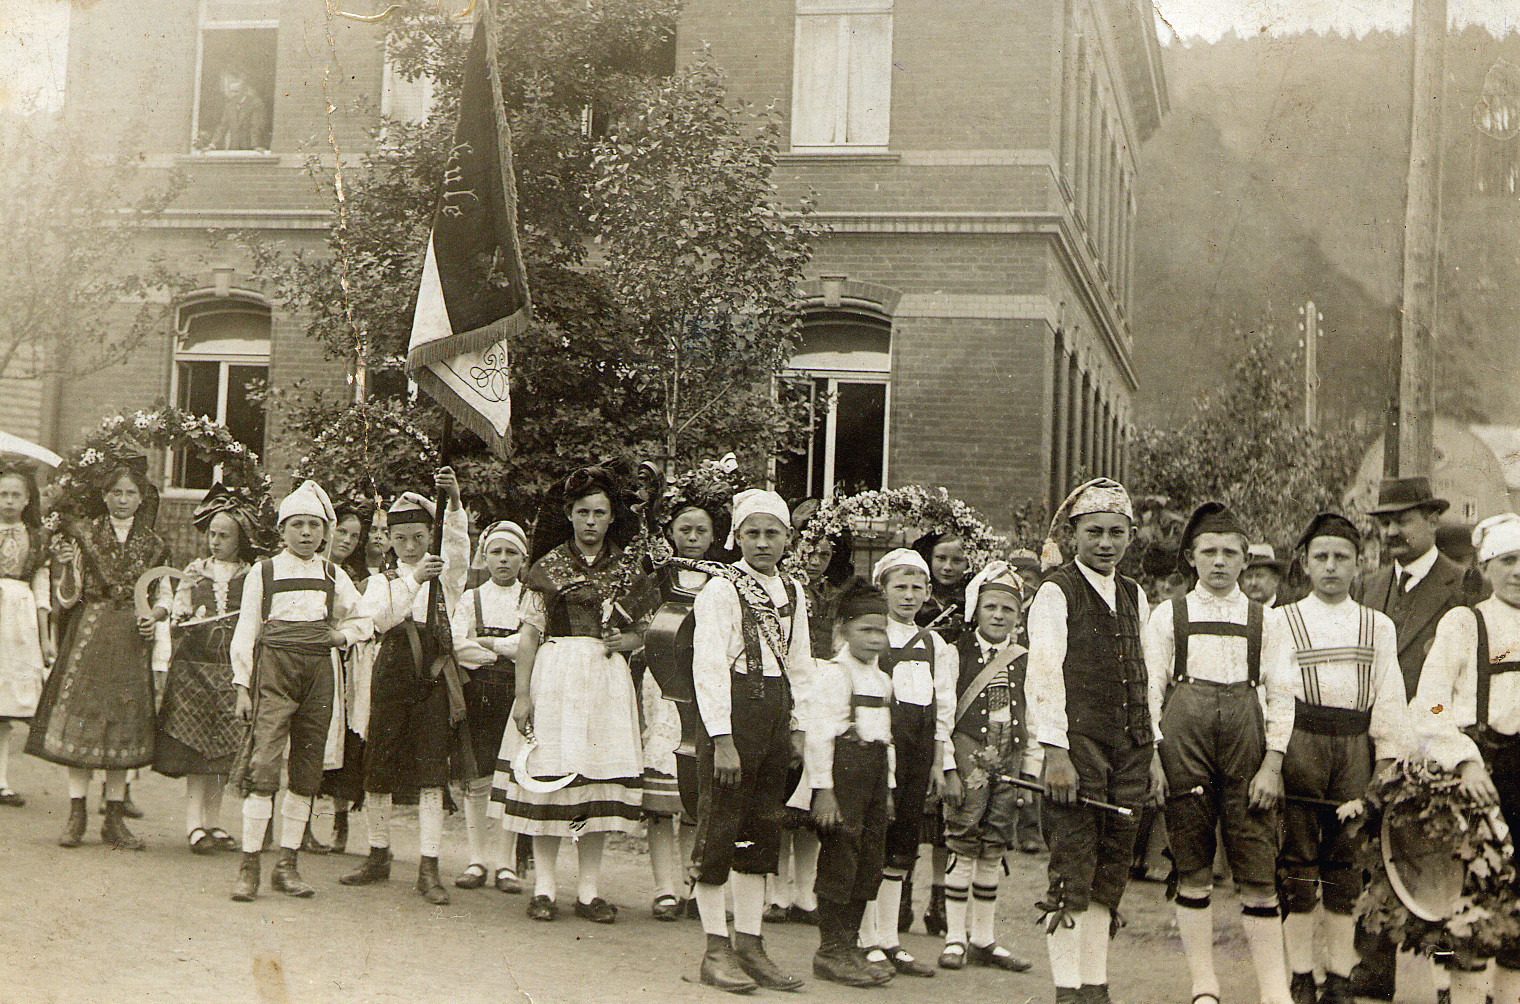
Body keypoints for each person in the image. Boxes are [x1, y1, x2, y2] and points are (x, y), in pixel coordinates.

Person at [1143, 503, 1296, 1004]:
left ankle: (1275, 991)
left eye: (1231, 553)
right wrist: (1153, 756)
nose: (1219, 562)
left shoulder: (1266, 622)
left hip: (1246, 744)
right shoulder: (1169, 615)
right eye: (1209, 552)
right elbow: (1148, 690)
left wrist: (1273, 763)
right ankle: (1203, 985)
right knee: (1191, 864)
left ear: (1245, 559)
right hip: (1184, 740)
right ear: (1191, 557)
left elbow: (1281, 696)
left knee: (1257, 865)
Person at [1349, 478, 1483, 1004]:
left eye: (1404, 518)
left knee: (1442, 868)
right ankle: (1372, 973)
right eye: (1384, 521)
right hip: (1378, 745)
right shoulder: (1368, 586)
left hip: (1439, 743)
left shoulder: (1465, 583)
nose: (1392, 530)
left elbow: (1488, 658)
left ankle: (1447, 979)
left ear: (1432, 520)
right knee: (1374, 861)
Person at [493, 465, 646, 924]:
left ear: (612, 517)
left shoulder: (628, 567)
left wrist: (630, 642)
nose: (592, 521)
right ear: (569, 515)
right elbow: (528, 636)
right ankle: (544, 887)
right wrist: (522, 697)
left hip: (604, 680)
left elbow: (646, 628)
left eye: (600, 512)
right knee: (551, 783)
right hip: (556, 675)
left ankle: (589, 891)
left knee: (594, 785)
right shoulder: (546, 567)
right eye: (583, 512)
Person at [1027, 477, 1152, 1004]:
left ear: (1129, 537)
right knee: (1074, 864)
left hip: (1130, 749)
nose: (1105, 543)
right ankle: (1067, 990)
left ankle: (1094, 987)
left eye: (1116, 533)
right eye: (1094, 532)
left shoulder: (1134, 594)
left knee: (1111, 868)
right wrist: (1056, 752)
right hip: (1078, 748)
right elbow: (1043, 674)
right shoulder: (1057, 591)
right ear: (1073, 533)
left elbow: (1145, 675)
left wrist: (1155, 752)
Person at [688, 488, 815, 993]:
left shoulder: (795, 591)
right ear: (735, 537)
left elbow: (801, 663)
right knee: (721, 826)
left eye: (772, 533)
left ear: (788, 537)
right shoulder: (720, 589)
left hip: (775, 714)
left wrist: (800, 726)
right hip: (733, 714)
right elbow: (708, 667)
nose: (763, 543)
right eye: (752, 533)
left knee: (763, 830)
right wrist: (721, 738)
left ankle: (750, 942)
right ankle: (714, 948)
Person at [1277, 512, 1406, 1004]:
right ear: (1305, 564)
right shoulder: (1282, 620)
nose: (1331, 567)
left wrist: (1385, 762)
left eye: (1342, 558)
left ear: (1359, 564)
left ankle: (1338, 975)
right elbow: (1274, 695)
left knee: (1344, 866)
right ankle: (1301, 975)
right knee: (1299, 865)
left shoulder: (1378, 626)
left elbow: (1389, 697)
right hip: (1300, 745)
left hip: (1354, 747)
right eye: (1321, 557)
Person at [227, 479, 367, 901]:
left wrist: (340, 638)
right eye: (297, 525)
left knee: (307, 771)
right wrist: (241, 687)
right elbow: (245, 629)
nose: (306, 533)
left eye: (314, 525)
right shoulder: (264, 571)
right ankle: (249, 865)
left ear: (325, 530)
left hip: (319, 676)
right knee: (264, 765)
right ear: (283, 529)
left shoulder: (332, 574)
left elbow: (363, 620)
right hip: (274, 672)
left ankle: (287, 865)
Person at [340, 473, 467, 906]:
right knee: (378, 766)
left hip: (429, 682)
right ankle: (378, 853)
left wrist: (452, 502)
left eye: (418, 536)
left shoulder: (444, 576)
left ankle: (428, 866)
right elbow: (379, 619)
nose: (410, 546)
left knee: (432, 771)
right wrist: (414, 580)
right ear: (388, 540)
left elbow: (458, 550)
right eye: (401, 537)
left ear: (429, 535)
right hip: (390, 681)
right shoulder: (383, 581)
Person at [1408, 513, 1520, 1004]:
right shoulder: (1465, 623)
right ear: (1486, 566)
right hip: (1481, 774)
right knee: (1472, 906)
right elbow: (1429, 704)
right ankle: (1460, 995)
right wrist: (1465, 761)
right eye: (1509, 560)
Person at [29, 456, 168, 850]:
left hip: (130, 641)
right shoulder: (83, 535)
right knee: (84, 721)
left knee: (123, 725)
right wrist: (70, 569)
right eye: (116, 492)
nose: (123, 500)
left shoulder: (156, 545)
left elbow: (163, 596)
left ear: (142, 499)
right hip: (91, 634)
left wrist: (153, 617)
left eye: (130, 493)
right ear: (105, 497)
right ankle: (76, 814)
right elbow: (68, 598)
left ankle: (115, 818)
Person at [850, 546, 954, 979]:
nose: (909, 596)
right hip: (880, 749)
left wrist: (938, 760)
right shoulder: (874, 637)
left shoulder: (937, 644)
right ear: (883, 589)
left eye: (917, 588)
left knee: (902, 847)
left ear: (928, 591)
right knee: (873, 840)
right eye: (900, 587)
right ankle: (865, 937)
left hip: (917, 753)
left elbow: (942, 706)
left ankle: (891, 938)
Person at [153, 484, 265, 854]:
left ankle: (214, 822)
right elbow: (178, 609)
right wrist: (184, 615)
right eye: (212, 535)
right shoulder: (195, 571)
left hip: (229, 673)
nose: (215, 542)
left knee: (221, 754)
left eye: (224, 536)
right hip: (195, 671)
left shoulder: (252, 575)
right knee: (195, 753)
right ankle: (193, 826)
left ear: (240, 539)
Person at [938, 560, 1036, 973]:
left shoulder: (1026, 658)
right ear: (975, 610)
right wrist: (947, 767)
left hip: (1009, 756)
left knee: (995, 842)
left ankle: (983, 938)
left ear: (1018, 615)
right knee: (963, 838)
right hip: (968, 752)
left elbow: (1033, 717)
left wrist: (1030, 771)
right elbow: (943, 711)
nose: (998, 616)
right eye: (991, 607)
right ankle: (954, 938)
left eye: (1007, 609)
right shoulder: (953, 652)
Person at [639, 484, 729, 921]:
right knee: (661, 797)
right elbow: (637, 623)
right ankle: (664, 888)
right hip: (663, 686)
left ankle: (695, 886)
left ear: (715, 536)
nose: (692, 537)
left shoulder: (727, 579)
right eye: (684, 529)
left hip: (708, 690)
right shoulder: (657, 576)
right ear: (671, 532)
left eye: (701, 530)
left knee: (696, 792)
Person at [806, 577, 895, 988]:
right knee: (842, 855)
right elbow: (821, 734)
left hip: (874, 777)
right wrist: (823, 790)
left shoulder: (880, 679)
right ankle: (831, 950)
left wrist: (889, 789)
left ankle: (851, 944)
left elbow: (886, 738)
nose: (876, 639)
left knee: (869, 859)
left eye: (882, 630)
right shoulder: (835, 674)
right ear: (843, 630)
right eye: (867, 630)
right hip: (844, 777)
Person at [767, 503, 850, 927]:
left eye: (826, 554)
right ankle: (777, 891)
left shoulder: (840, 594)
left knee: (813, 793)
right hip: (790, 689)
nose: (817, 561)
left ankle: (806, 891)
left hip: (825, 693)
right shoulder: (781, 589)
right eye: (810, 552)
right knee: (784, 796)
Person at [451, 520, 530, 895]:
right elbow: (456, 643)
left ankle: (506, 863)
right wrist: (499, 653)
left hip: (518, 696)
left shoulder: (530, 598)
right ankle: (476, 859)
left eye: (511, 553)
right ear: (483, 557)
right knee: (478, 776)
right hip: (478, 693)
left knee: (512, 777)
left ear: (523, 560)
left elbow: (530, 644)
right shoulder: (471, 597)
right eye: (496, 552)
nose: (503, 559)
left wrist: (491, 646)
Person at [309, 500, 378, 855]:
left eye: (356, 536)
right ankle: (299, 821)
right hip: (304, 657)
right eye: (343, 532)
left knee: (343, 738)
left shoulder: (350, 577)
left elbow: (361, 621)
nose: (348, 540)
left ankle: (339, 818)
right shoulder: (308, 567)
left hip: (342, 660)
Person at [0, 459, 53, 807]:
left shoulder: (37, 538)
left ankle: (1, 780)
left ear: (27, 501)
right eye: (2, 494)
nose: (7, 501)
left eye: (15, 495)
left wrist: (46, 638)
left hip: (17, 619)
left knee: (3, 708)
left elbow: (43, 588)